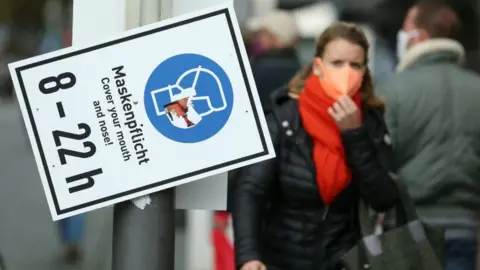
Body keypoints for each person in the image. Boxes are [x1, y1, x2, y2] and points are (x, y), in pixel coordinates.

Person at [232, 22, 399, 270]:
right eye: (337, 63)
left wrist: (354, 135)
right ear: (319, 67)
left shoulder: (369, 122)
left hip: (343, 261)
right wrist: (249, 256)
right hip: (282, 260)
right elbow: (251, 189)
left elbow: (383, 198)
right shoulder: (286, 118)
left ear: (364, 71)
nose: (346, 72)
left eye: (355, 65)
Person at [379, 1, 480, 269]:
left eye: (406, 28)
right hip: (464, 224)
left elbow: (379, 160)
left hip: (408, 226)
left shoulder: (393, 90)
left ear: (420, 36)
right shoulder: (476, 88)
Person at [246, 10, 301, 113]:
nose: (257, 39)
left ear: (273, 37)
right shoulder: (300, 69)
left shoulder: (259, 70)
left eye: (261, 34)